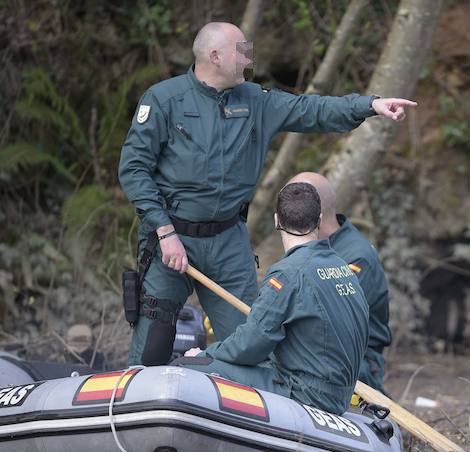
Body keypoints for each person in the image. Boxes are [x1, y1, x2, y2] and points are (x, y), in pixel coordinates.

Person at [119, 21, 414, 367]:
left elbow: (312, 110)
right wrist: (164, 231)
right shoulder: (164, 99)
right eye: (241, 51)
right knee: (152, 344)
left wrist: (370, 105)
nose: (248, 59)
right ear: (214, 56)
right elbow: (133, 170)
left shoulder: (256, 101)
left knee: (249, 341)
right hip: (170, 239)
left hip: (228, 243)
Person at [179, 182, 368, 416]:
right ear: (319, 219)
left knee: (186, 367)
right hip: (339, 393)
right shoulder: (342, 267)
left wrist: (205, 355)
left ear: (277, 220)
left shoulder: (287, 275)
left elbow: (250, 345)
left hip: (306, 393)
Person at [288, 172, 392, 392]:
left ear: (315, 211)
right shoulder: (306, 242)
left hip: (353, 361)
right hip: (314, 350)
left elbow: (334, 329)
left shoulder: (356, 258)